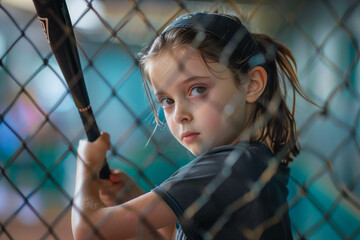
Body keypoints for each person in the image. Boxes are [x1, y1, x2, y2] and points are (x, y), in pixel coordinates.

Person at [72, 11, 315, 240]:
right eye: (167, 101)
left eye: (198, 90)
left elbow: (89, 230)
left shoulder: (229, 166)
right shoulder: (252, 164)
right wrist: (131, 196)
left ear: (252, 84)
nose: (179, 115)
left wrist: (86, 165)